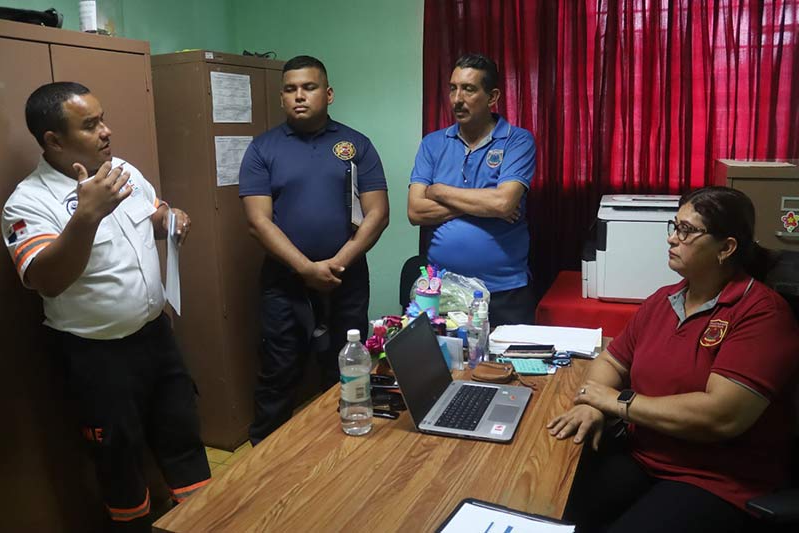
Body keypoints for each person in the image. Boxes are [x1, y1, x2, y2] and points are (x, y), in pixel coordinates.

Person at [1, 82, 210, 531]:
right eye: (91, 124)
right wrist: (87, 215)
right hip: (95, 355)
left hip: (155, 336)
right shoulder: (28, 202)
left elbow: (154, 215)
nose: (106, 131)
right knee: (118, 457)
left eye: (103, 119)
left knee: (182, 433)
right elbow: (46, 280)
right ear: (54, 140)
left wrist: (170, 219)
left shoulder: (122, 171)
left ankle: (209, 520)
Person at [548, 186, 799, 533]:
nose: (671, 238)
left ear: (726, 248)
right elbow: (611, 361)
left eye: (686, 230)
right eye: (674, 226)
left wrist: (618, 403)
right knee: (552, 507)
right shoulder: (663, 300)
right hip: (645, 458)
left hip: (718, 480)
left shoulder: (761, 313)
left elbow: (721, 415)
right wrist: (593, 405)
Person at [239, 55, 389, 445]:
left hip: (346, 278)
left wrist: (337, 263)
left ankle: (340, 454)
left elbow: (378, 214)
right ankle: (264, 458)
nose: (299, 96)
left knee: (346, 370)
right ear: (282, 97)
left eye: (309, 87)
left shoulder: (356, 145)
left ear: (329, 93)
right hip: (285, 283)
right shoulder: (262, 149)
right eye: (290, 89)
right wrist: (306, 269)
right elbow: (258, 222)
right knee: (278, 371)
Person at [407, 53, 537, 326]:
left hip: (504, 290)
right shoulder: (432, 143)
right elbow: (416, 211)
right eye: (453, 88)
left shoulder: (517, 141)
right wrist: (484, 206)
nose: (457, 99)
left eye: (468, 89)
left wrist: (438, 191)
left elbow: (503, 203)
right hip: (441, 290)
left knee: (507, 356)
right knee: (442, 355)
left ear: (492, 97)